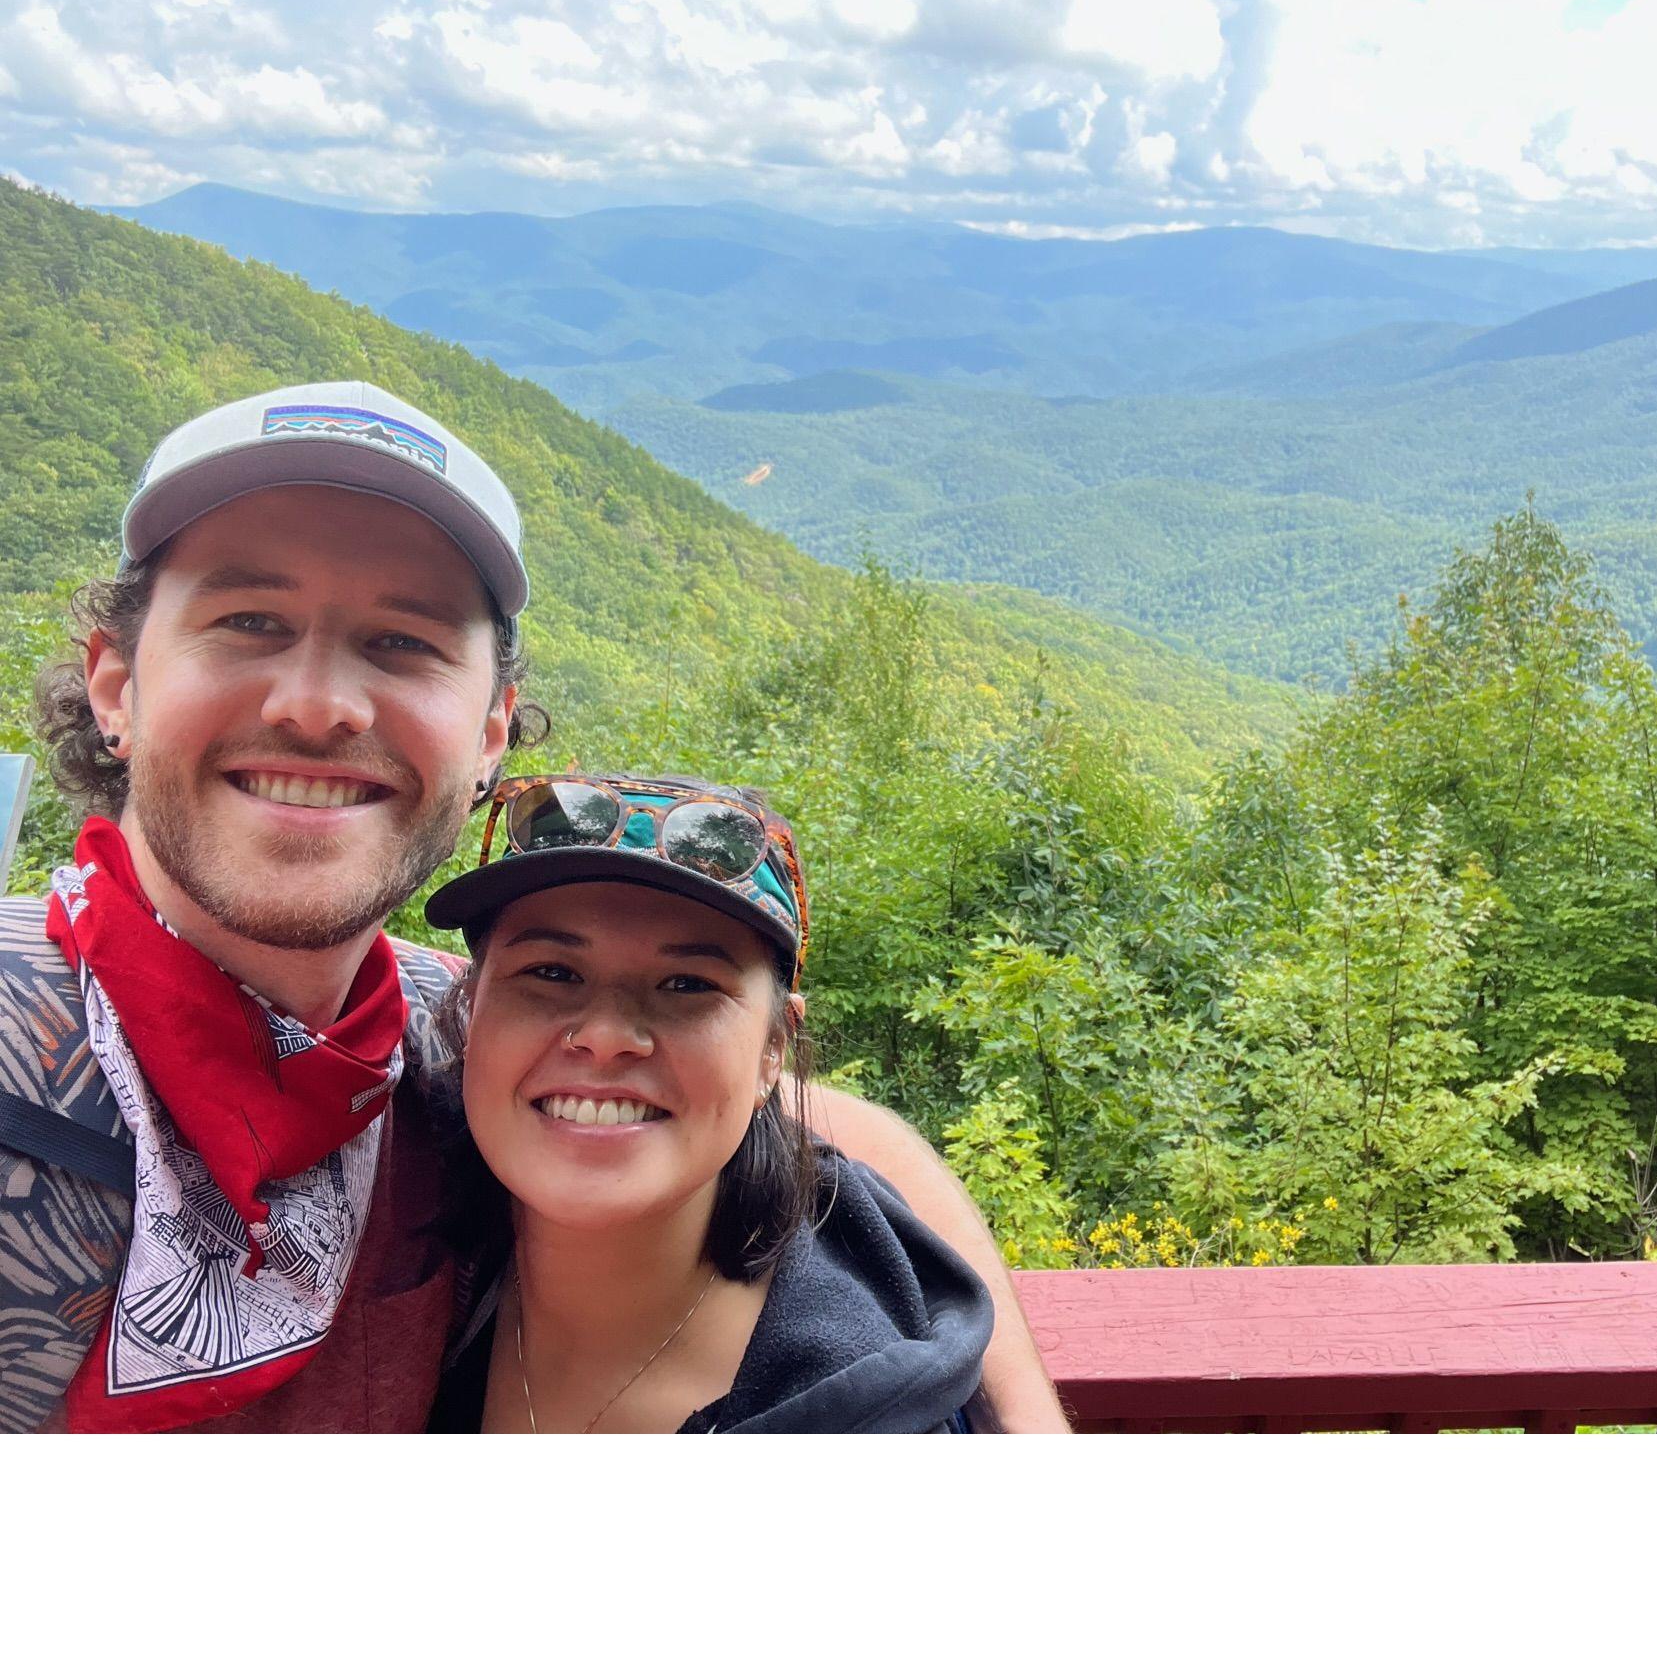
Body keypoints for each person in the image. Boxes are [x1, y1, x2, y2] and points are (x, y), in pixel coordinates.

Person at [0, 380, 1067, 1433]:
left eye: (402, 641)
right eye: (247, 621)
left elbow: (816, 1121)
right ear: (116, 685)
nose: (318, 705)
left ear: (490, 735)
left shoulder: (441, 1039)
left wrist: (1026, 1437)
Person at [425, 771, 991, 1432]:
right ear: (470, 1007)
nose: (606, 1035)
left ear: (772, 1050)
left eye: (687, 984)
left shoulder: (870, 1417)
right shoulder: (390, 1214)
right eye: (551, 972)